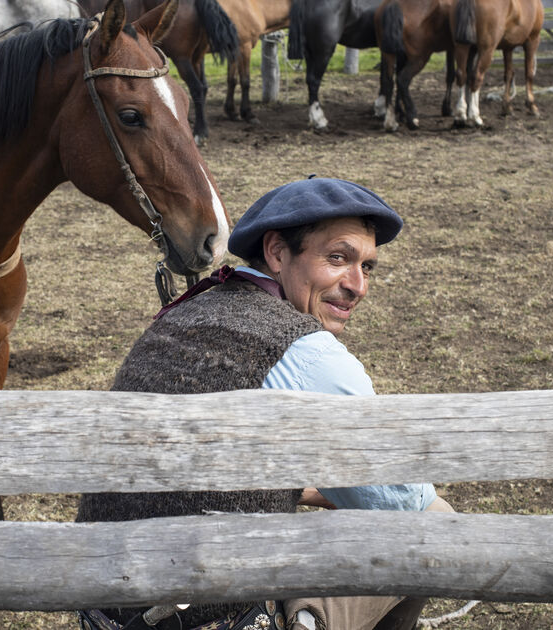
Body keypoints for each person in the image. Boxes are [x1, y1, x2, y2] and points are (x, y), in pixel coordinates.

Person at [77, 177, 453, 630]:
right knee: (433, 523)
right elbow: (398, 503)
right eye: (338, 258)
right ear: (276, 252)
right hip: (212, 618)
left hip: (100, 608)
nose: (358, 286)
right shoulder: (307, 353)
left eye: (367, 267)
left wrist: (304, 487)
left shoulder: (187, 312)